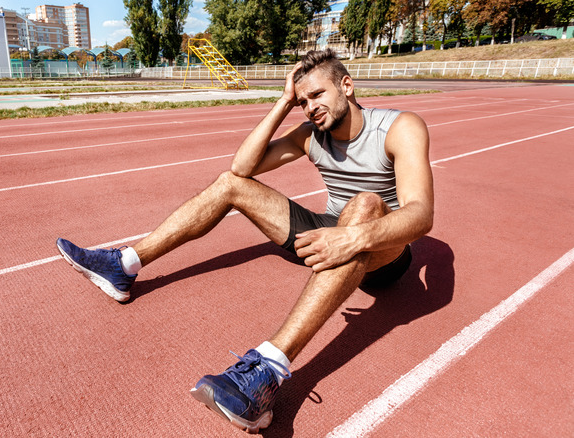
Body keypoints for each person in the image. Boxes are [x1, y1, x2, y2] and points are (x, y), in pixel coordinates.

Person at [56, 48, 434, 433]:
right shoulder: (310, 135)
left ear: (347, 86)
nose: (310, 107)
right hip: (326, 231)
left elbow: (420, 215)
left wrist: (353, 237)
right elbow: (243, 167)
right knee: (229, 184)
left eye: (317, 95)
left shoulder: (399, 127)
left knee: (367, 203)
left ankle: (267, 371)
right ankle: (125, 265)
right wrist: (282, 102)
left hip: (382, 249)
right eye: (302, 101)